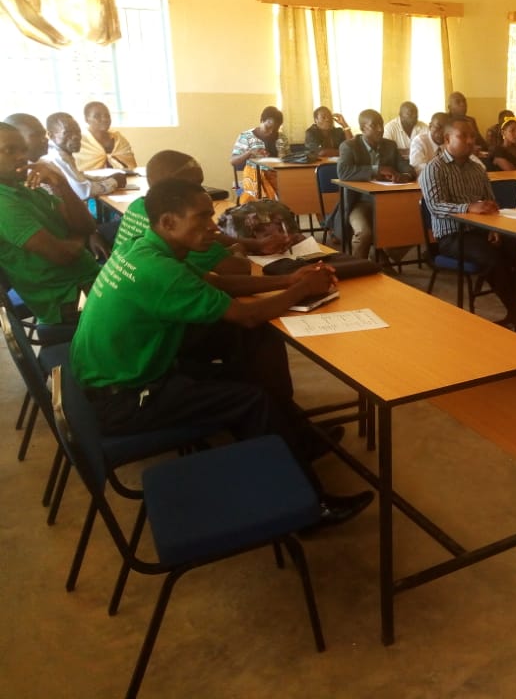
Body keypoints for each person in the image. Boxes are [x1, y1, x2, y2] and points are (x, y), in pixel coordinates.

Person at [69, 177, 374, 531]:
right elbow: (247, 315)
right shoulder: (160, 270)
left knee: (245, 359)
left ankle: (291, 441)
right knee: (252, 397)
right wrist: (304, 287)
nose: (212, 227)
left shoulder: (145, 248)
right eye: (201, 218)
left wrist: (288, 282)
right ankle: (308, 507)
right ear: (168, 222)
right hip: (125, 398)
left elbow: (217, 283)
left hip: (120, 375)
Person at [420, 119, 516, 341]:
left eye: (472, 137)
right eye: (464, 137)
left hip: (482, 230)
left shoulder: (477, 168)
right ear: (448, 139)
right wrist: (468, 207)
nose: (471, 141)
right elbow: (436, 206)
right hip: (452, 236)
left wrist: (495, 227)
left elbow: (490, 201)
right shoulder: (434, 168)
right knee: (492, 258)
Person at [112, 150, 281, 275]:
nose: (201, 190)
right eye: (193, 184)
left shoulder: (138, 206)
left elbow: (214, 237)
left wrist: (256, 244)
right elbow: (238, 269)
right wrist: (238, 250)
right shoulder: (180, 230)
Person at [0, 122, 101, 325]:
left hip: (87, 280)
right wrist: (78, 238)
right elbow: (64, 255)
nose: (22, 157)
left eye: (23, 149)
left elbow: (86, 225)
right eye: (10, 150)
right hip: (69, 300)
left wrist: (61, 184)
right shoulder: (3, 204)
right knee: (154, 300)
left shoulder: (28, 187)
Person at [333, 109, 415, 260]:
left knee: (415, 226)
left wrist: (405, 176)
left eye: (381, 124)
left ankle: (381, 253)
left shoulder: (389, 145)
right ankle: (358, 268)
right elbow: (343, 172)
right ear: (363, 128)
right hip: (359, 202)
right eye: (374, 125)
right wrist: (377, 169)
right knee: (364, 233)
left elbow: (407, 168)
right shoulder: (349, 146)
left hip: (388, 202)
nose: (380, 129)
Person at [42, 113, 126, 200]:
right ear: (51, 135)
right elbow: (84, 191)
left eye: (78, 132)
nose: (75, 137)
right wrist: (114, 181)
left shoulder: (58, 151)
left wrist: (105, 178)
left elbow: (77, 177)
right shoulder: (58, 156)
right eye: (67, 133)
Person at [230, 106, 289, 200]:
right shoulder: (246, 136)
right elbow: (233, 161)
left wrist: (282, 155)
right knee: (261, 185)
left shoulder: (282, 138)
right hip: (254, 177)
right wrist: (249, 153)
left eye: (275, 129)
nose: (271, 132)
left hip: (278, 176)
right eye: (268, 127)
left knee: (294, 187)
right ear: (261, 120)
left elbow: (289, 161)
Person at [409, 113, 486, 173]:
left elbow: (479, 165)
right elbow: (418, 168)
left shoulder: (451, 140)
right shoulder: (419, 141)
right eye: (438, 127)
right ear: (430, 126)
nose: (441, 132)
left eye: (445, 128)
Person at [75, 101, 137, 171]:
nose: (104, 119)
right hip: (91, 181)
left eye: (107, 116)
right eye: (97, 116)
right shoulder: (80, 142)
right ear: (86, 119)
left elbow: (131, 167)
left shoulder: (118, 139)